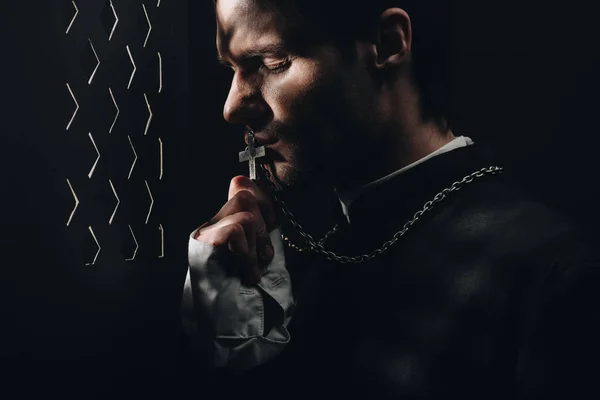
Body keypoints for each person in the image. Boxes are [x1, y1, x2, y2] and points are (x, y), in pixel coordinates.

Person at [180, 0, 600, 398]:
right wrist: (240, 356)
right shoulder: (298, 269)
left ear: (388, 43)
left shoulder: (551, 279)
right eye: (231, 69)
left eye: (273, 63)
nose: (232, 106)